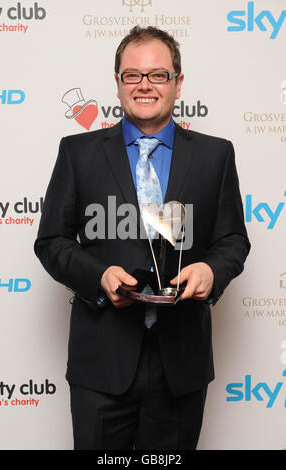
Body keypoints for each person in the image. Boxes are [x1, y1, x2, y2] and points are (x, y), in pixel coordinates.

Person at [34, 26, 250, 450]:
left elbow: (233, 241)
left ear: (178, 83)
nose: (145, 85)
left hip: (180, 362)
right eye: (132, 75)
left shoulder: (215, 155)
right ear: (117, 84)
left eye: (158, 75)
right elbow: (52, 241)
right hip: (101, 363)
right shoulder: (77, 153)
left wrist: (209, 269)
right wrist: (99, 276)